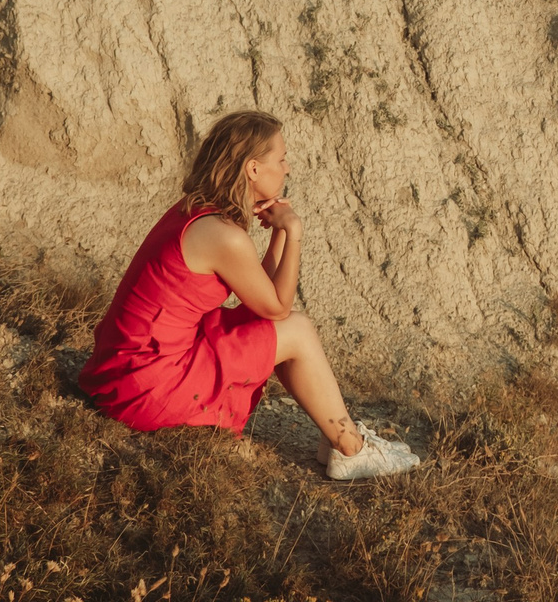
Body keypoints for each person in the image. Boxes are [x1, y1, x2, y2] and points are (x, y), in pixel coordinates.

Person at [76, 110, 419, 480]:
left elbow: (262, 299)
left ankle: (334, 436)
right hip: (149, 383)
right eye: (281, 159)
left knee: (283, 326)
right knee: (297, 329)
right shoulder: (223, 236)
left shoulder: (196, 213)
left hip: (131, 367)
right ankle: (352, 450)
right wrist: (294, 231)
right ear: (253, 169)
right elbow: (277, 307)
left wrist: (277, 235)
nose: (287, 168)